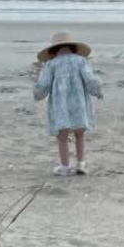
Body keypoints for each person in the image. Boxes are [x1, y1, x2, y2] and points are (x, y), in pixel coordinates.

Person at [33, 32, 103, 176]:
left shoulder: (51, 64)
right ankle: (81, 163)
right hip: (79, 104)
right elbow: (90, 79)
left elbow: (43, 84)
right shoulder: (81, 61)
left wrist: (37, 95)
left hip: (61, 106)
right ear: (73, 48)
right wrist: (97, 91)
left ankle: (65, 166)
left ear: (53, 51)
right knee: (80, 135)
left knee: (62, 137)